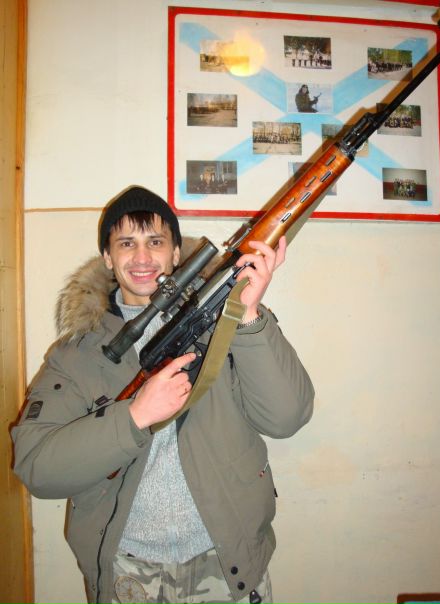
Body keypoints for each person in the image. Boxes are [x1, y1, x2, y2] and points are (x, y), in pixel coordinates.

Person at [12, 185, 314, 604]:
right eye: (126, 243)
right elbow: (37, 469)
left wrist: (247, 315)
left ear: (176, 253)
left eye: (155, 242)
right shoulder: (76, 353)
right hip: (129, 571)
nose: (141, 257)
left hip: (229, 564)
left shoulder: (227, 323)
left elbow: (286, 418)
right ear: (107, 257)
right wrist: (133, 417)